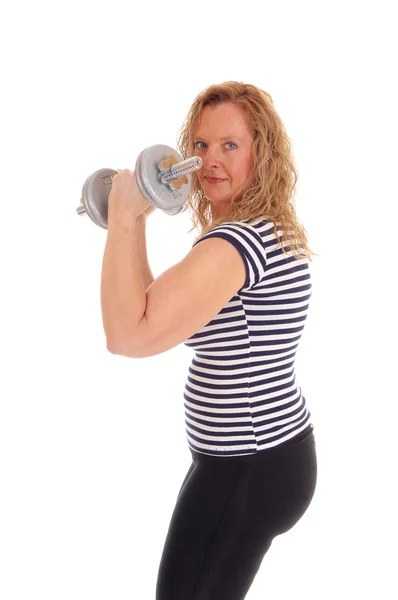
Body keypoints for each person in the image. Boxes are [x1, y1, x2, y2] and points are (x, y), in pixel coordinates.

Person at [103, 81, 318, 600]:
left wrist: (120, 217)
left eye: (230, 145)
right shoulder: (262, 229)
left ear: (262, 153)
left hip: (247, 466)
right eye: (200, 146)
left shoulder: (234, 246)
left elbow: (128, 336)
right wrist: (133, 223)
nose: (210, 160)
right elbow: (152, 307)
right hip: (265, 456)